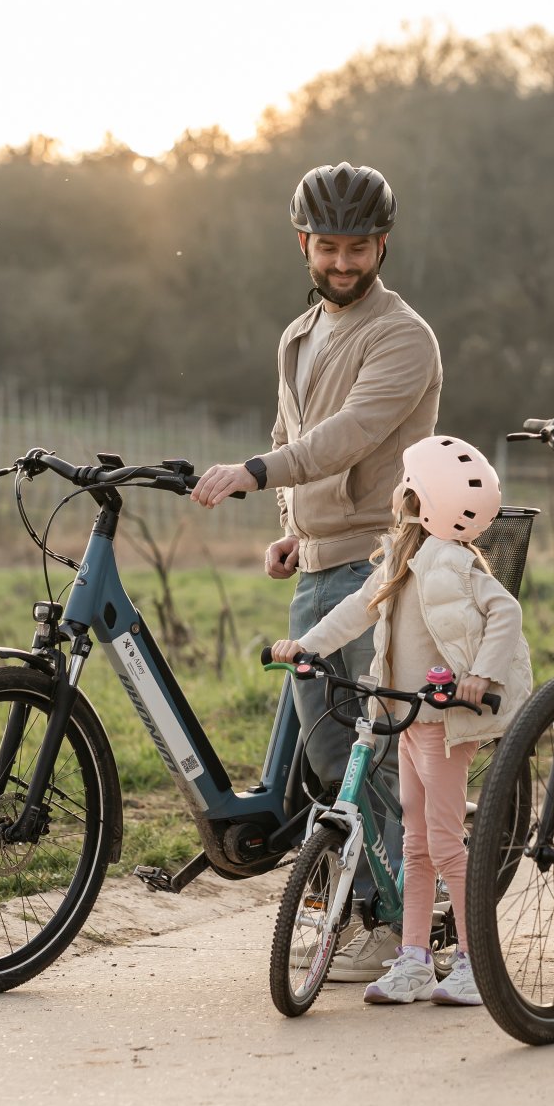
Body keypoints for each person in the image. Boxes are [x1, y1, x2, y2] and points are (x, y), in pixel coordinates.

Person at [192, 162, 443, 980]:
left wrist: (258, 473)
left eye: (359, 248)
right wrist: (291, 526)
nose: (343, 263)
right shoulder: (298, 335)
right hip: (321, 561)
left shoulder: (403, 336)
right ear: (303, 243)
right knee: (333, 755)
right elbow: (291, 419)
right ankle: (361, 907)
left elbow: (351, 433)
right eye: (329, 247)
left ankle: (389, 920)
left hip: (379, 563)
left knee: (366, 755)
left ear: (383, 245)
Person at [271, 436, 534, 1007]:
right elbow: (357, 609)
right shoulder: (399, 558)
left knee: (442, 842)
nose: (398, 493)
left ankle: (472, 961)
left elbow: (504, 611)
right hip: (405, 717)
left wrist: (481, 677)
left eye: (405, 484)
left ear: (419, 497)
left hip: (441, 721)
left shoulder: (454, 562)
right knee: (416, 842)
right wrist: (307, 646)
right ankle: (413, 960)